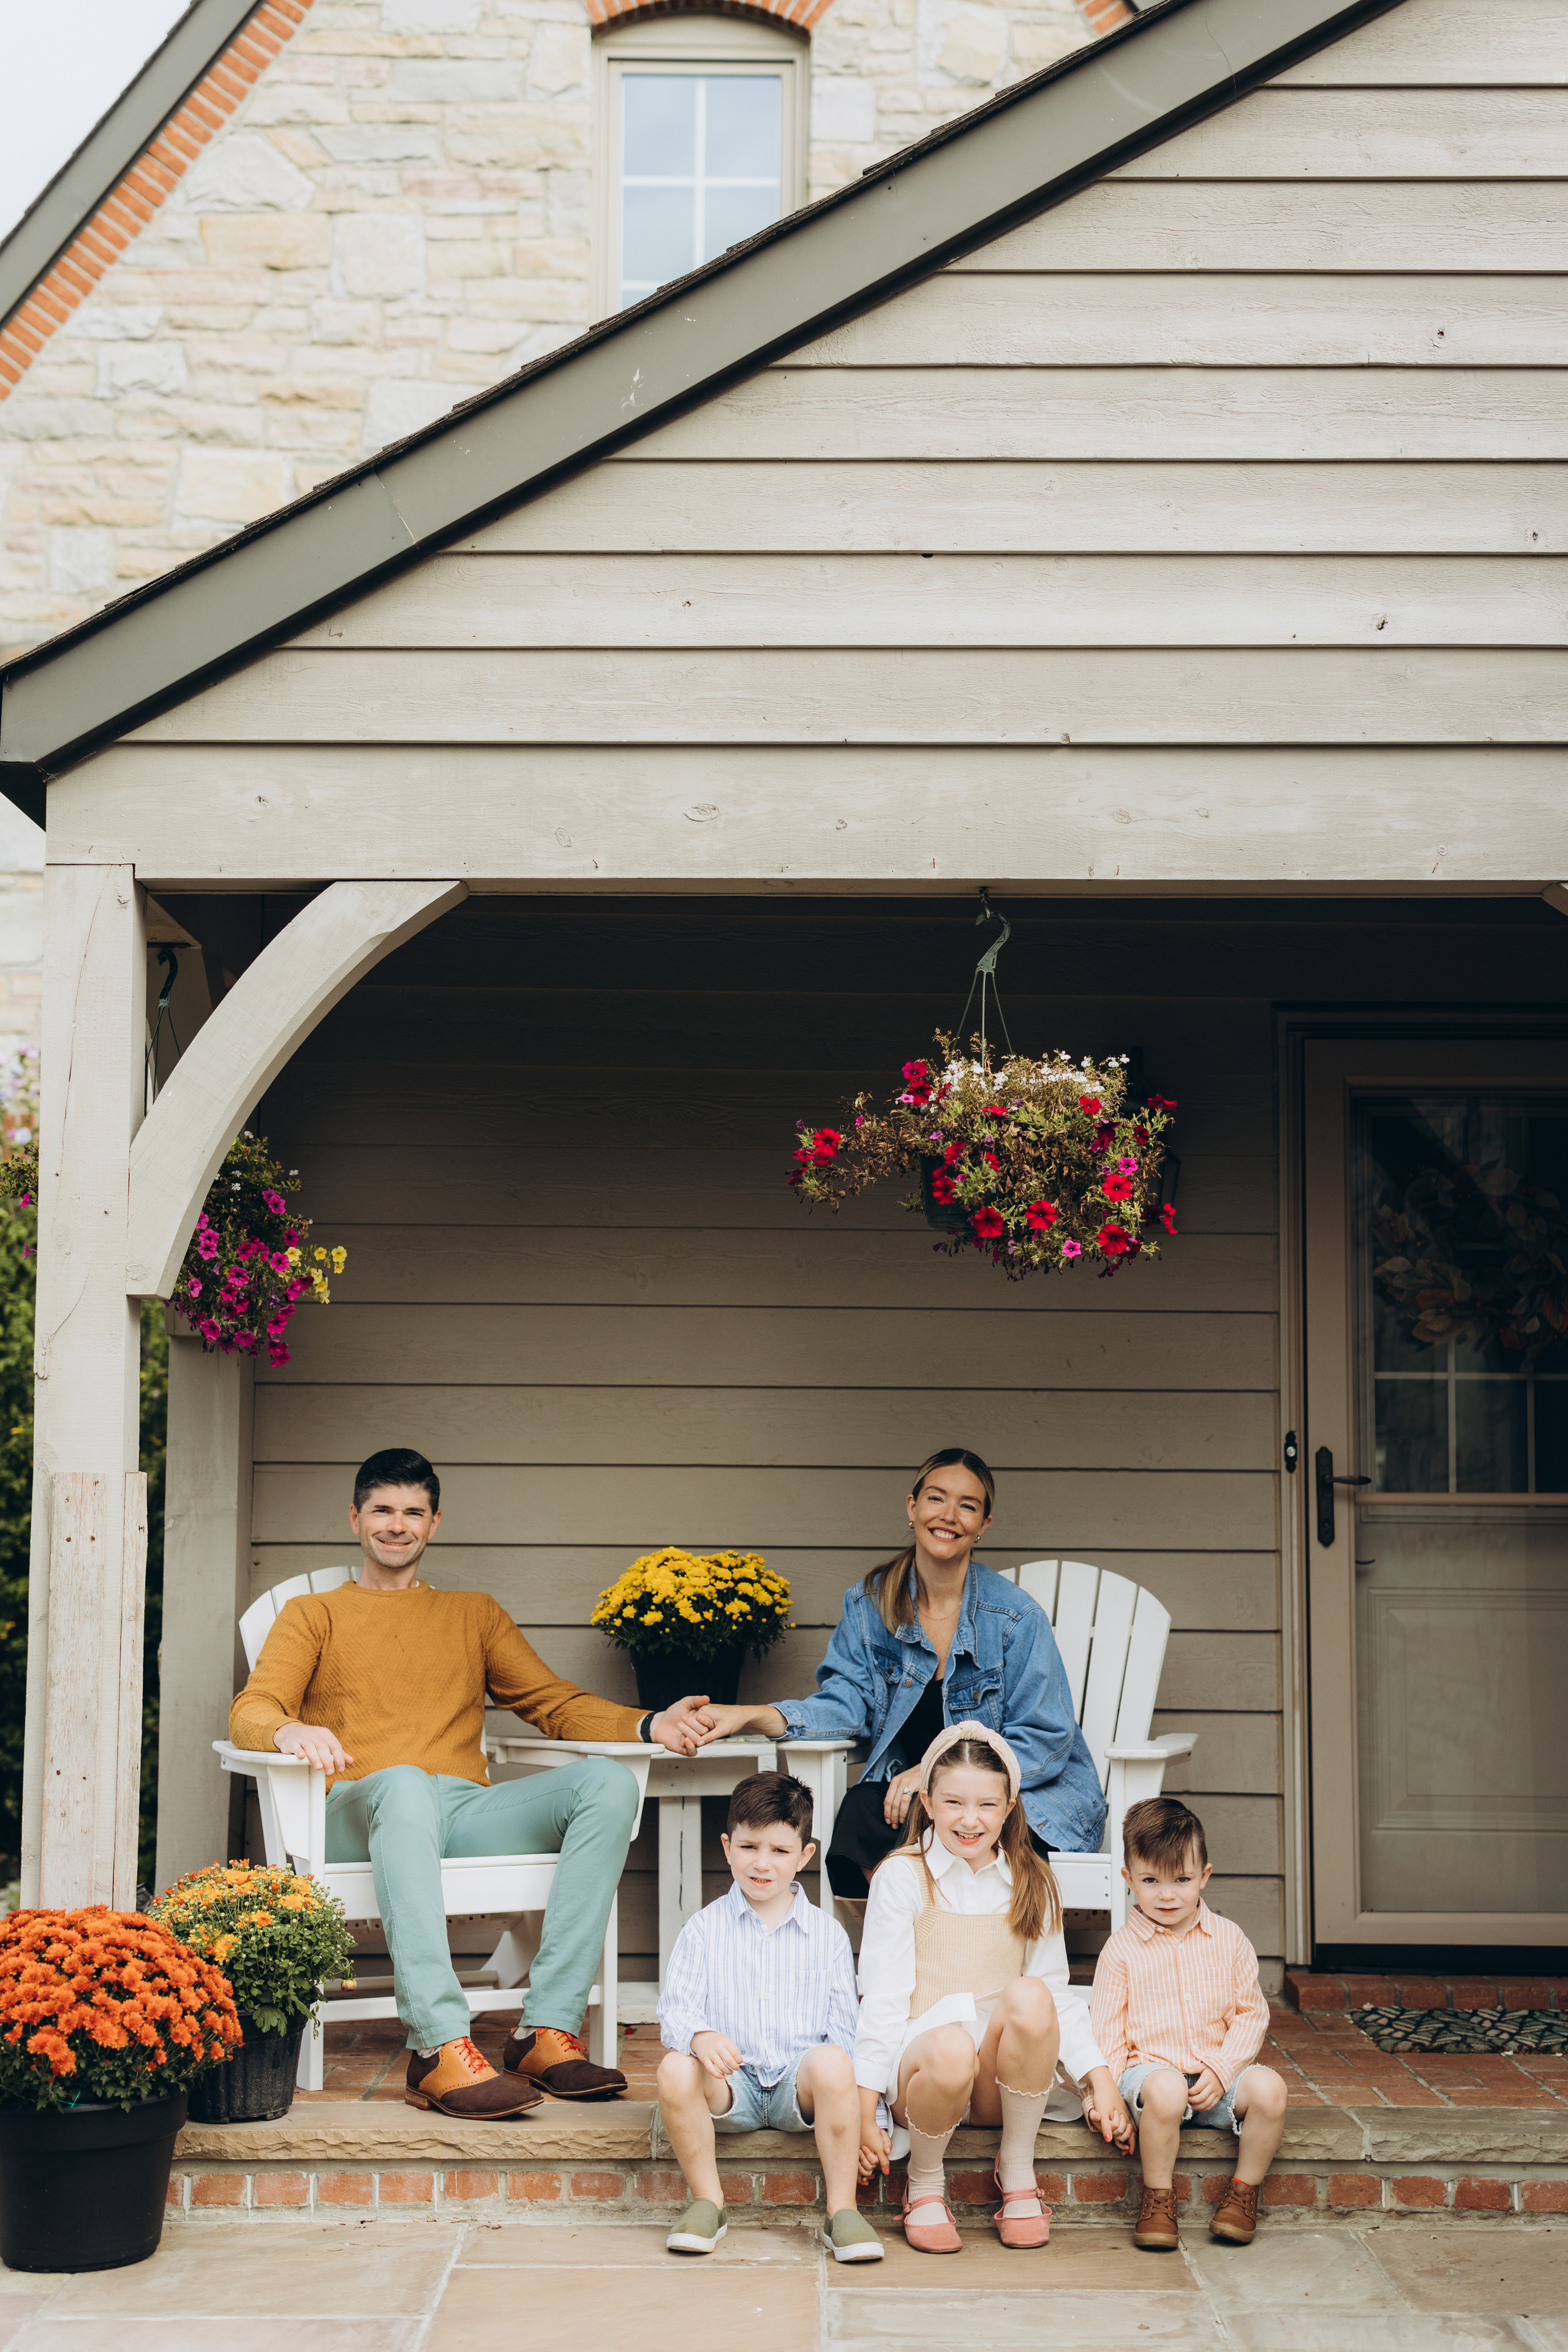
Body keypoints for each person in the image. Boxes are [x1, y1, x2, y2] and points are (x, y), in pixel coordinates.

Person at [229, 1447, 711, 2120]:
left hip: (458, 1809)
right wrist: (287, 1732)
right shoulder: (313, 1615)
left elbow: (553, 1702)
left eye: (412, 1513)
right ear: (355, 1518)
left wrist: (651, 1724)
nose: (397, 1525)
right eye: (382, 1510)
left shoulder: (472, 1614)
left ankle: (546, 2031)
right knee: (403, 1782)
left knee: (605, 1783)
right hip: (359, 1809)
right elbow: (252, 1709)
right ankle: (437, 2045)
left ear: (433, 1524)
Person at [694, 1448, 1106, 1890]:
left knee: (973, 1828)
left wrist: (938, 1771)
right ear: (912, 1507)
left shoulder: (1014, 1617)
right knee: (859, 1819)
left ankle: (966, 1951)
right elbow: (845, 1705)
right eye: (936, 1498)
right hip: (914, 1798)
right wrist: (752, 1715)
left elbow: (1047, 1736)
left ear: (984, 1524)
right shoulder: (869, 1604)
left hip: (1015, 1797)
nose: (949, 1515)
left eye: (968, 1506)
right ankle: (905, 1948)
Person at [854, 1723, 1135, 2254]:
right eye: (954, 1801)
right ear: (928, 1803)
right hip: (928, 2077)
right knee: (950, 2042)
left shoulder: (1032, 1880)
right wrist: (865, 2110)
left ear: (1008, 1807)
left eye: (986, 1804)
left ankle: (1018, 2171)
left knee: (1031, 1994)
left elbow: (1057, 1999)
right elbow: (883, 2002)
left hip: (1002, 2084)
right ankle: (925, 2183)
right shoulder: (902, 1877)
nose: (969, 1819)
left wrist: (1101, 2080)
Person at [655, 1771, 884, 2264]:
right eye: (749, 1847)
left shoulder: (827, 1936)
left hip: (795, 2089)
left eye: (780, 1851)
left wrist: (872, 2119)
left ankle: (841, 2210)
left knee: (832, 2060)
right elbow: (675, 2011)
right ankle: (707, 2201)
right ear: (727, 1847)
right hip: (729, 2088)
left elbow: (847, 2037)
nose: (762, 1864)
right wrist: (699, 2034)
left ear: (804, 1855)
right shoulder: (702, 1930)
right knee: (675, 2067)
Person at [1090, 1795, 1284, 2250]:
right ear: (1128, 1880)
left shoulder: (1230, 1939)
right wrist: (1106, 2102)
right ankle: (1158, 2200)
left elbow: (1252, 2014)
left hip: (1217, 2082)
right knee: (1167, 2088)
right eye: (1151, 1880)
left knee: (1272, 2089)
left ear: (1204, 1876)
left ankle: (1242, 2196)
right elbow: (1106, 2035)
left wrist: (1223, 2069)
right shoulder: (1121, 1951)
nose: (1167, 1894)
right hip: (1153, 2082)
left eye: (1182, 1879)